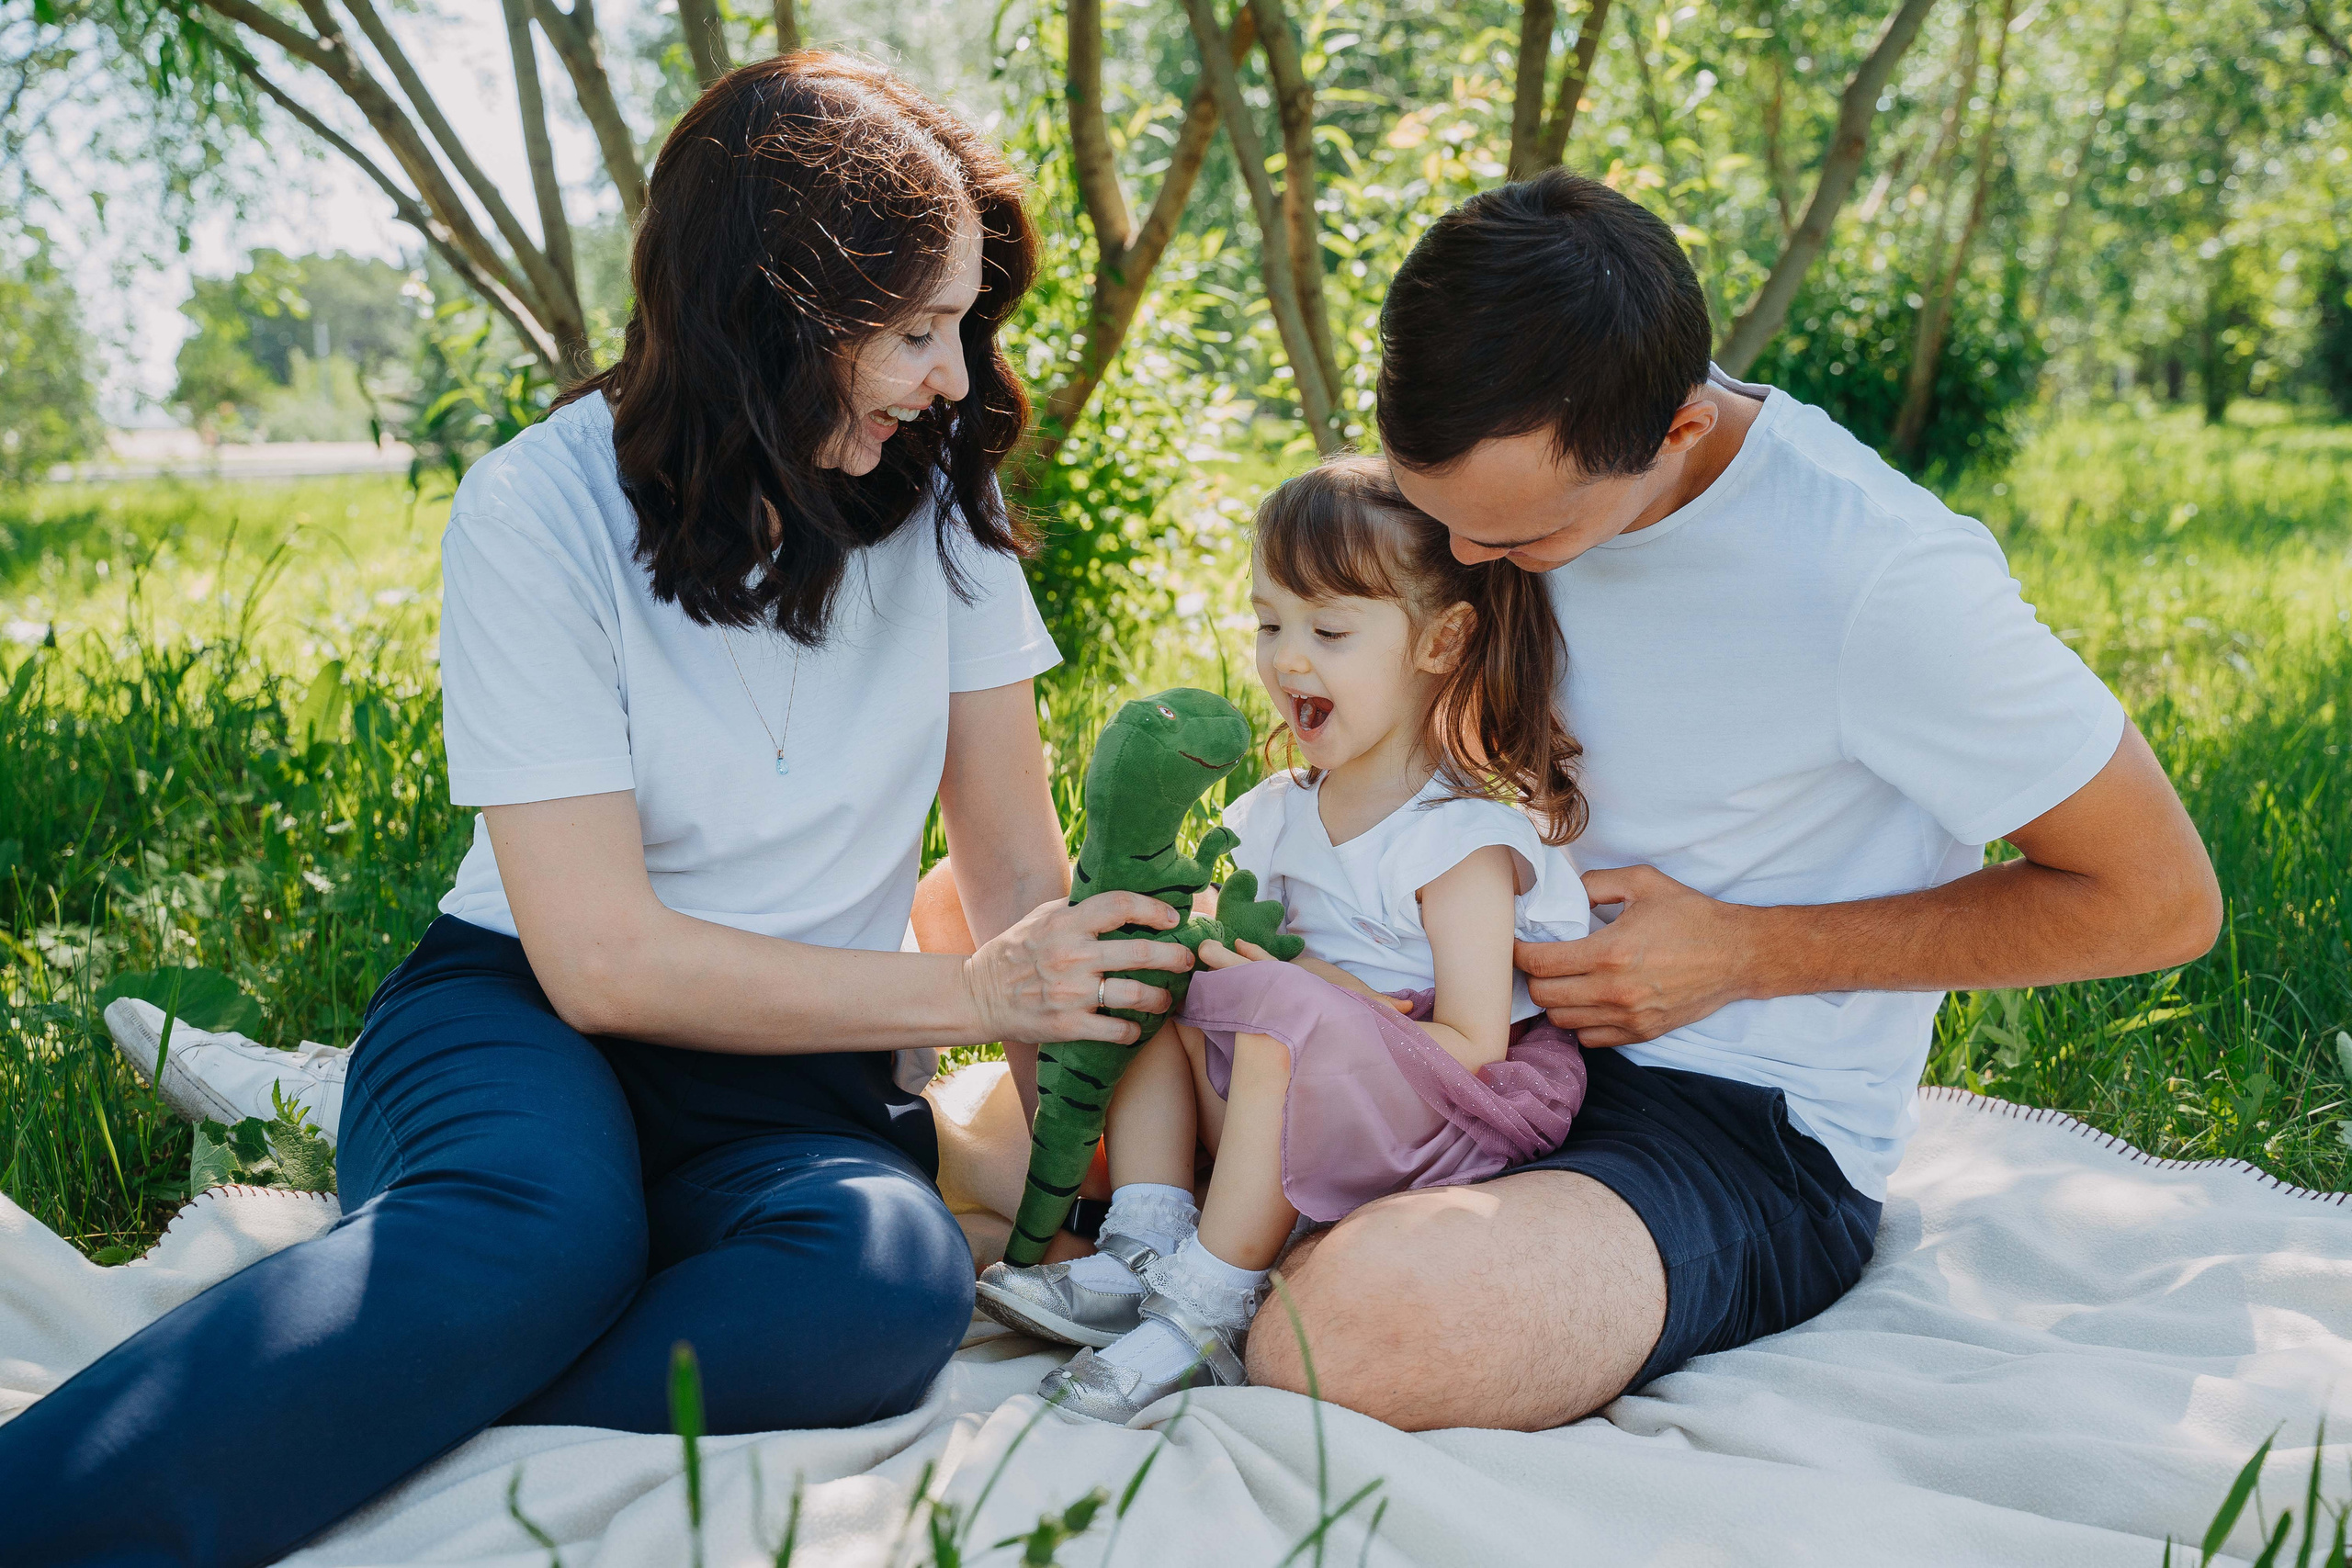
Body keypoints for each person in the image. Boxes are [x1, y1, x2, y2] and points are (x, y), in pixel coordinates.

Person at [0, 54, 1200, 1568]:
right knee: (536, 1238)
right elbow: (601, 960)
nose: (956, 377)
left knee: (883, 1287)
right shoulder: (537, 505)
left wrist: (1079, 1225)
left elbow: (1017, 862)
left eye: (960, 324)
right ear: (770, 316)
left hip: (792, 1086)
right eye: (913, 332)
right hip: (524, 1021)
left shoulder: (940, 506)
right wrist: (962, 988)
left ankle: (391, 1393)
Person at [1233, 170, 2224, 1431]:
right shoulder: (1485, 489)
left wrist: (1747, 952)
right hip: (1473, 1025)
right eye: (1442, 518)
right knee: (1053, 1070)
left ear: (1680, 434)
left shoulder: (1880, 581)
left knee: (1355, 1337)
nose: (1469, 562)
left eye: (1523, 537)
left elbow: (2161, 902)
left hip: (1732, 1120)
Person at [974, 456, 1594, 1420]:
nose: (1286, 658)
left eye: (1329, 630)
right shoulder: (1275, 814)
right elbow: (1246, 970)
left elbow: (1474, 1046)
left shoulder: (1459, 839)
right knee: (1163, 967)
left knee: (1275, 1018)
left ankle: (1204, 1314)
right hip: (1278, 1100)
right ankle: (1146, 1237)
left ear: (1444, 639)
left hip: (1423, 1117)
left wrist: (1313, 989)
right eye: (1269, 624)